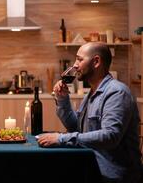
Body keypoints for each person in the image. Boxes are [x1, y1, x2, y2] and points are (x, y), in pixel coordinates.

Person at [37, 42, 142, 183]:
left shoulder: (117, 92)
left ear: (96, 62)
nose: (75, 65)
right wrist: (63, 100)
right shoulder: (91, 93)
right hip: (91, 167)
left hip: (113, 176)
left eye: (80, 59)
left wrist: (61, 138)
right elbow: (76, 128)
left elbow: (110, 136)